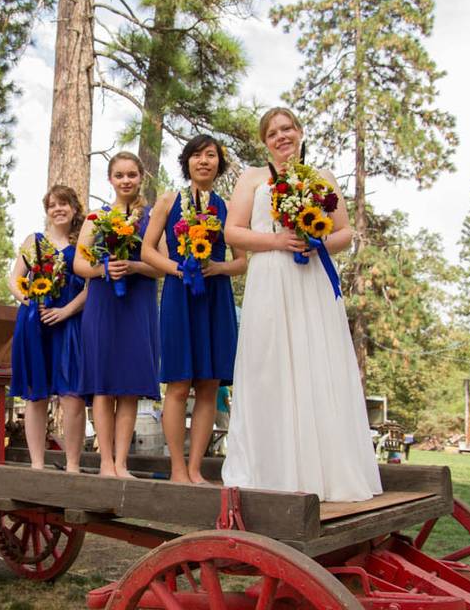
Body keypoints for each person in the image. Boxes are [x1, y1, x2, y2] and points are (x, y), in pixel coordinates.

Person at [221, 107, 382, 502]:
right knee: (268, 367)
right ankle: (271, 470)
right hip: (270, 279)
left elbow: (344, 232)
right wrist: (277, 241)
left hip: (310, 279)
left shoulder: (322, 178)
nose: (281, 136)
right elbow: (232, 231)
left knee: (316, 363)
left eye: (287, 128)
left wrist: (316, 244)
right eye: (272, 132)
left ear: (300, 132)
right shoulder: (252, 178)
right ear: (264, 141)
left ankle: (326, 473)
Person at [142, 135, 247, 483]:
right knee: (178, 383)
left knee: (208, 384)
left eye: (212, 156)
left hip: (215, 297)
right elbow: (147, 251)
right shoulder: (168, 200)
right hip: (178, 294)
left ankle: (196, 468)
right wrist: (176, 268)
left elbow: (242, 261)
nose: (204, 161)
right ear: (187, 161)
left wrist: (219, 268)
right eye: (198, 155)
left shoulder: (229, 207)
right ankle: (176, 468)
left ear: (220, 163)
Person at [74, 152, 163, 478]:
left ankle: (122, 463)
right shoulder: (96, 218)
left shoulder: (152, 218)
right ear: (110, 179)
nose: (126, 180)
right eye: (120, 175)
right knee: (103, 385)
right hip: (103, 305)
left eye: (132, 175)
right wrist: (104, 268)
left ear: (141, 178)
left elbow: (162, 265)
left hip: (137, 306)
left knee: (128, 387)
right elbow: (79, 264)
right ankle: (105, 462)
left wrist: (136, 265)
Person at [8, 185, 89, 472]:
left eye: (64, 204)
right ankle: (38, 464)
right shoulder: (34, 241)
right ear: (47, 211)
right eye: (52, 205)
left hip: (70, 323)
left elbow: (91, 287)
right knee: (36, 394)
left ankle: (73, 465)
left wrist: (66, 311)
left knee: (73, 396)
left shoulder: (83, 242)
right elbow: (14, 279)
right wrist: (29, 300)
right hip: (36, 325)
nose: (58, 209)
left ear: (74, 208)